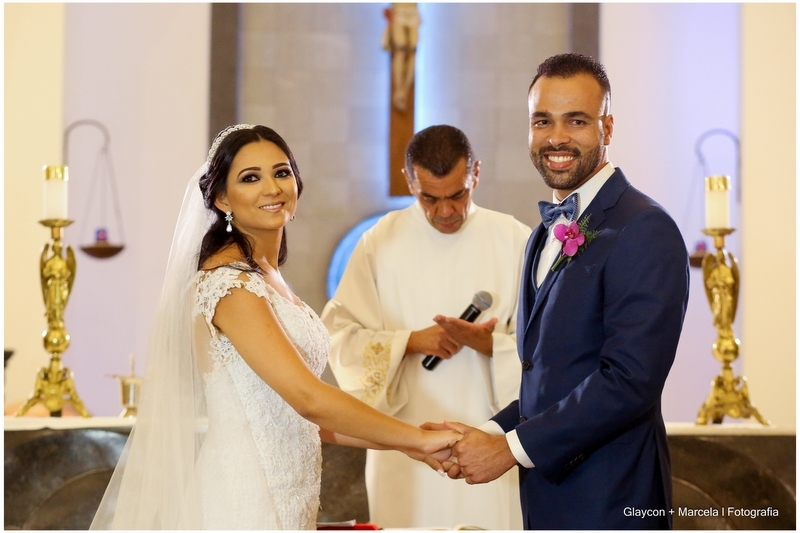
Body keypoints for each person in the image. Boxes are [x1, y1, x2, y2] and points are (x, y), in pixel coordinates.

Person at [90, 124, 461, 530]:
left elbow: (306, 422)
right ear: (221, 198)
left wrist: (406, 443)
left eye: (281, 172)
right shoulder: (230, 285)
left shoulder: (268, 277)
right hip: (244, 501)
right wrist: (414, 438)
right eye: (251, 178)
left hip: (289, 502)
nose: (272, 187)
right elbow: (308, 398)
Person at [440, 53, 690, 529]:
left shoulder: (645, 228)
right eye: (542, 121)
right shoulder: (541, 234)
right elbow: (551, 376)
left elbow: (629, 380)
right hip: (548, 501)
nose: (556, 138)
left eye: (576, 121)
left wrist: (510, 450)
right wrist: (487, 433)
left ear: (607, 127)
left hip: (613, 500)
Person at [322, 125, 530, 529]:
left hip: (489, 441)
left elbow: (548, 350)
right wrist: (410, 342)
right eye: (429, 198)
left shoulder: (514, 239)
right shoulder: (379, 242)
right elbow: (340, 337)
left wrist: (490, 346)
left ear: (476, 174)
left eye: (458, 195)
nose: (445, 211)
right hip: (404, 443)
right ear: (409, 180)